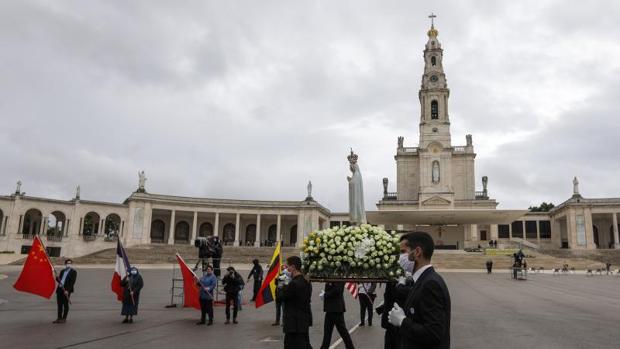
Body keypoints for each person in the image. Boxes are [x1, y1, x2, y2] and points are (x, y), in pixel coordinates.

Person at [388, 232, 451, 349]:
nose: (399, 257)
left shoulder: (430, 284)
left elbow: (433, 333)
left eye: (403, 252)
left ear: (417, 252)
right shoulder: (421, 280)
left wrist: (402, 321)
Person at [379, 241, 415, 348]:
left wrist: (401, 284)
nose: (401, 256)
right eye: (399, 252)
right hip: (390, 326)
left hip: (405, 327)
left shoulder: (416, 278)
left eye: (404, 251)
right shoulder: (393, 274)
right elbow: (388, 296)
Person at [277, 256, 313, 349]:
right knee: (305, 345)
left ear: (293, 267)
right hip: (303, 321)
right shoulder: (306, 282)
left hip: (293, 324)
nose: (286, 269)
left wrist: (281, 285)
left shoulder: (293, 284)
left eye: (287, 266)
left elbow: (281, 297)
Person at [319, 282, 355, 349]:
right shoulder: (333, 275)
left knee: (343, 333)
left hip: (336, 310)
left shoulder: (338, 274)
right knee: (327, 333)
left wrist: (325, 295)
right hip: (331, 309)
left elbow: (338, 289)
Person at [53, 259, 77, 324]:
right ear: (65, 264)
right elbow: (59, 280)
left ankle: (64, 318)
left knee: (65, 304)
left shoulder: (73, 272)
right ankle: (59, 318)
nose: (69, 264)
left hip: (66, 290)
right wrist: (57, 277)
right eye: (67, 263)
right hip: (60, 289)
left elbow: (72, 282)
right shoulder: (62, 271)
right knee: (59, 304)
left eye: (70, 263)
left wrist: (67, 290)